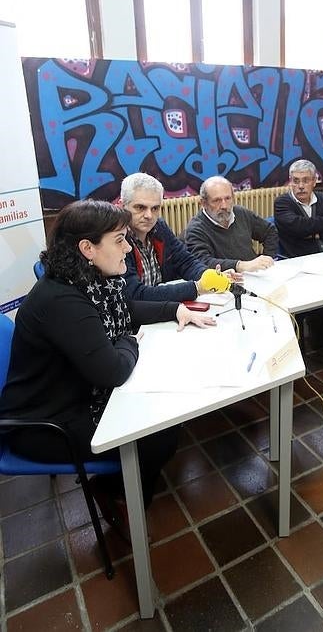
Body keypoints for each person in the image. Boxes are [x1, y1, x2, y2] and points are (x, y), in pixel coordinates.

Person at [0, 200, 215, 541]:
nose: (128, 249)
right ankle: (115, 493)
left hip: (73, 392)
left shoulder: (88, 281)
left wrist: (175, 309)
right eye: (119, 240)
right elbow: (113, 371)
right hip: (44, 424)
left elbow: (126, 308)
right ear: (87, 248)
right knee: (161, 434)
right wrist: (130, 341)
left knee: (162, 418)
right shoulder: (61, 299)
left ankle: (121, 487)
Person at [120, 172, 211, 302]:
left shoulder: (159, 226)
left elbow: (185, 260)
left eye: (155, 208)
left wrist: (208, 275)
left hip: (162, 308)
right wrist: (196, 288)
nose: (149, 215)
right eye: (140, 207)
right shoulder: (117, 239)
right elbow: (135, 294)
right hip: (138, 317)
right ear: (122, 206)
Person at [184, 176, 279, 272]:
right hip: (225, 281)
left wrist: (267, 258)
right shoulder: (196, 229)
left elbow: (269, 231)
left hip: (255, 274)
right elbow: (203, 261)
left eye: (228, 198)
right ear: (203, 203)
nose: (224, 206)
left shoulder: (240, 213)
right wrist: (239, 266)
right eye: (217, 200)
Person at [274, 159, 323, 257]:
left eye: (306, 181)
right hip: (299, 259)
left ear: (314, 181)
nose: (301, 186)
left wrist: (318, 235)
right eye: (296, 181)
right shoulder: (282, 203)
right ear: (290, 181)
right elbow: (298, 227)